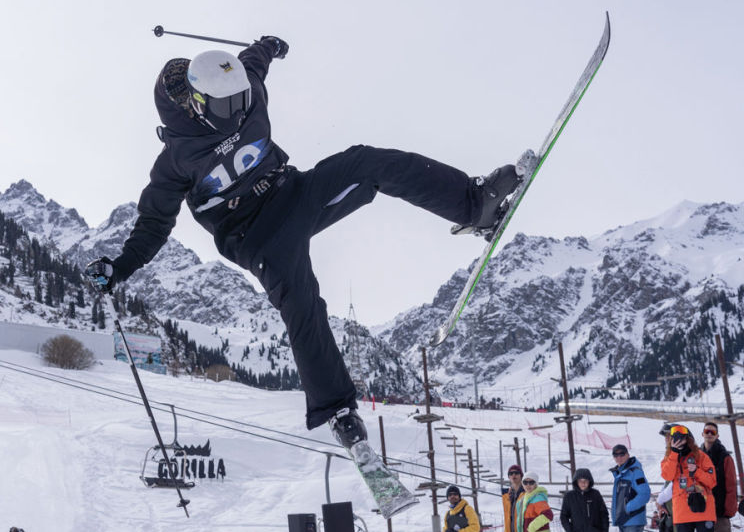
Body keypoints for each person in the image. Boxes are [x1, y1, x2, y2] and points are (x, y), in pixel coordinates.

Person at [85, 37, 524, 446]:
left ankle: (474, 207)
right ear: (198, 105)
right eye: (227, 106)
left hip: (292, 194)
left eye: (243, 100)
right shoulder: (175, 161)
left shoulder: (248, 87)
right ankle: (337, 410)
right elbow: (153, 224)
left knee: (366, 162)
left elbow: (254, 62)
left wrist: (267, 47)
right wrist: (119, 267)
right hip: (254, 236)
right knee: (302, 303)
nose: (239, 111)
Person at [661, 425, 716, 532]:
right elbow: (667, 475)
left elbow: (712, 482)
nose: (679, 441)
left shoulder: (701, 456)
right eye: (675, 438)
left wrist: (697, 471)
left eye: (682, 438)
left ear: (688, 439)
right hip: (682, 512)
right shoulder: (669, 458)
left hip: (703, 510)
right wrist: (674, 453)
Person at [700, 422, 738, 532]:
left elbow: (731, 485)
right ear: (702, 434)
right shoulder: (697, 455)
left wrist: (728, 511)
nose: (710, 434)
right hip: (700, 511)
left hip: (720, 514)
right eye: (707, 431)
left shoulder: (725, 457)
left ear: (717, 436)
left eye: (713, 432)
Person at [610, 443, 652, 532]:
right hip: (624, 520)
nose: (619, 457)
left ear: (628, 455)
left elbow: (644, 494)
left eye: (622, 454)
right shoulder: (621, 474)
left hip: (633, 521)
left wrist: (627, 508)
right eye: (616, 455)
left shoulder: (635, 473)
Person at [560, 468, 609, 532]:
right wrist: (569, 530)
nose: (583, 483)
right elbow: (564, 516)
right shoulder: (569, 496)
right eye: (580, 480)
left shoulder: (595, 494)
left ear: (589, 481)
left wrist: (605, 530)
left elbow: (604, 514)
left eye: (586, 480)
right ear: (576, 481)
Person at [502, 464, 525, 531]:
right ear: (509, 476)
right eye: (511, 473)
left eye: (516, 473)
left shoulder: (527, 493)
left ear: (521, 475)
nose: (513, 475)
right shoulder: (506, 495)